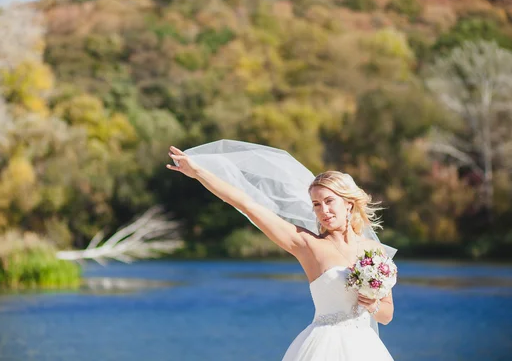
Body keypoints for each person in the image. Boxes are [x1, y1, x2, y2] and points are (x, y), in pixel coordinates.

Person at [167, 144, 395, 361]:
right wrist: (197, 172)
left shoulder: (373, 251)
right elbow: (247, 204)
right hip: (324, 347)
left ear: (348, 204)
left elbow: (386, 315)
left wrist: (371, 304)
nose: (323, 210)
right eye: (316, 204)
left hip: (366, 348)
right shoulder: (307, 244)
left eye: (329, 201)